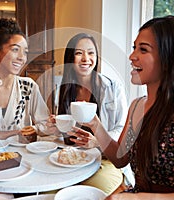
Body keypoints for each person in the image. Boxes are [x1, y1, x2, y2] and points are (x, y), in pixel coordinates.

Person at [70, 16, 174, 199]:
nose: (132, 56)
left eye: (143, 50)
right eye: (134, 48)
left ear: (168, 57)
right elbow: (120, 158)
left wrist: (139, 198)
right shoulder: (137, 105)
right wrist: (95, 124)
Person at [49, 33, 133, 194]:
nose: (86, 58)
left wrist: (97, 142)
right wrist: (58, 127)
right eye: (79, 53)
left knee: (84, 193)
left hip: (107, 161)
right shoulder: (65, 89)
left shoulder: (112, 87)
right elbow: (68, 133)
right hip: (76, 157)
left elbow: (121, 129)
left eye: (91, 52)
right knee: (51, 191)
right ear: (70, 58)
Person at [0, 18, 50, 140]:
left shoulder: (28, 87)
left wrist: (6, 134)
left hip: (23, 156)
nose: (22, 58)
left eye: (25, 52)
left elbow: (46, 125)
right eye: (15, 50)